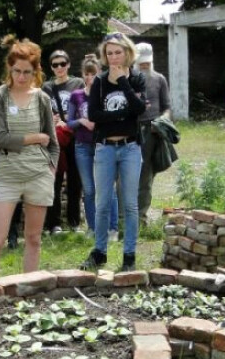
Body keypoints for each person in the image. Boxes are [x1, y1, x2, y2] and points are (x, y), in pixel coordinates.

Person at [0, 36, 59, 283]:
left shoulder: (42, 98)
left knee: (34, 239)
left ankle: (29, 293)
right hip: (7, 175)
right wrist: (35, 137)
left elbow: (53, 142)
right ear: (9, 69)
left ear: (36, 72)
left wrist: (51, 170)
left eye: (27, 72)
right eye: (17, 71)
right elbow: (1, 138)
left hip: (38, 174)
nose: (21, 77)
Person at [79, 32, 147, 272]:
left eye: (118, 51)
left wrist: (124, 83)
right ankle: (100, 252)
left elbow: (139, 110)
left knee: (130, 204)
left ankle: (129, 255)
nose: (114, 56)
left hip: (130, 147)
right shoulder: (99, 81)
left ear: (127, 52)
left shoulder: (137, 78)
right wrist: (122, 113)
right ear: (104, 56)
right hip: (105, 148)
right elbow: (94, 116)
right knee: (102, 203)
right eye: (110, 53)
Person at [67, 54, 120, 239]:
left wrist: (97, 122)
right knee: (89, 189)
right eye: (86, 74)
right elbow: (69, 122)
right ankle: (93, 228)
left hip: (103, 145)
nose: (90, 78)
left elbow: (114, 118)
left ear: (99, 74)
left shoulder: (105, 94)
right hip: (82, 146)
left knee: (107, 188)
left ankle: (113, 228)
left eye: (93, 74)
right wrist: (82, 120)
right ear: (82, 75)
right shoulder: (76, 95)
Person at [43, 49, 85, 234]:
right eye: (55, 64)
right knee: (54, 180)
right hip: (56, 138)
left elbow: (84, 106)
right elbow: (43, 111)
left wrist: (67, 118)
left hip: (75, 136)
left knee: (75, 180)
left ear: (68, 64)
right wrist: (52, 120)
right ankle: (54, 223)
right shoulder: (46, 87)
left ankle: (74, 221)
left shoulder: (77, 83)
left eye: (62, 63)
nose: (59, 67)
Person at [135, 42, 172, 225]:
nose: (144, 66)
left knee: (147, 175)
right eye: (141, 63)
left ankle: (141, 216)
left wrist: (161, 122)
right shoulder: (126, 80)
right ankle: (123, 217)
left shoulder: (159, 79)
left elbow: (166, 108)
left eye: (147, 63)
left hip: (153, 133)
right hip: (131, 132)